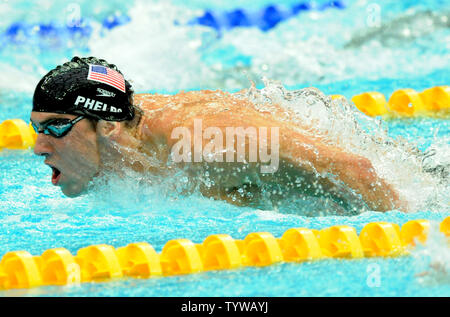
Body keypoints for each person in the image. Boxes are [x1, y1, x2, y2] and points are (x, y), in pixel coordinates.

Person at [30, 56, 408, 213]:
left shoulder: (200, 141)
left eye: (55, 128)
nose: (37, 147)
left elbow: (355, 169)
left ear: (108, 126)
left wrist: (405, 238)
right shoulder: (121, 141)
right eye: (36, 128)